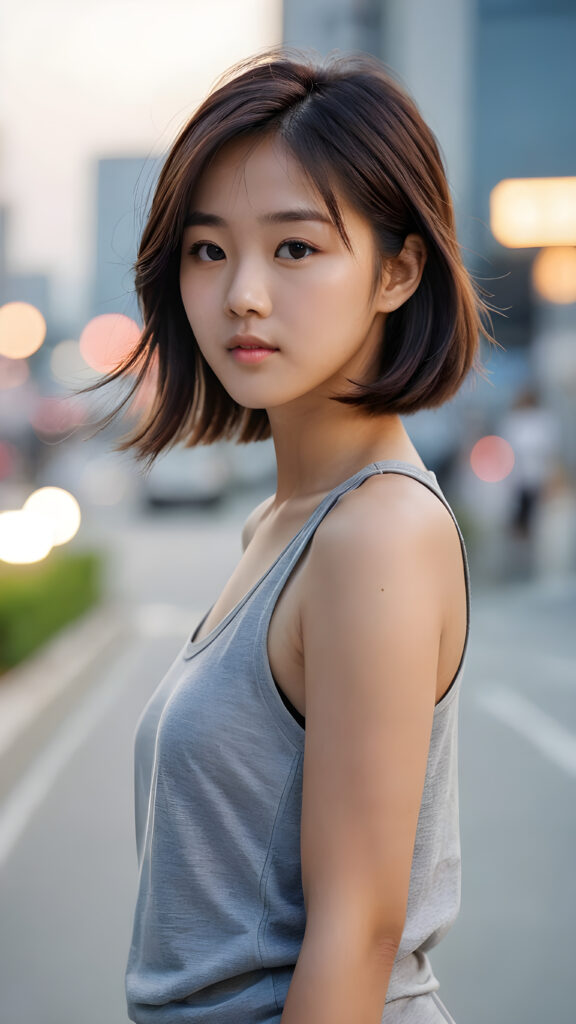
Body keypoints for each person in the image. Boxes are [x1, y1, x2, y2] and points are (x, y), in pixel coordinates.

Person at [87, 49, 495, 1024]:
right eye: (209, 250)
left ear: (398, 269)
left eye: (297, 249)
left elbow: (357, 933)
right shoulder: (288, 523)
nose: (244, 297)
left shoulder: (377, 534)